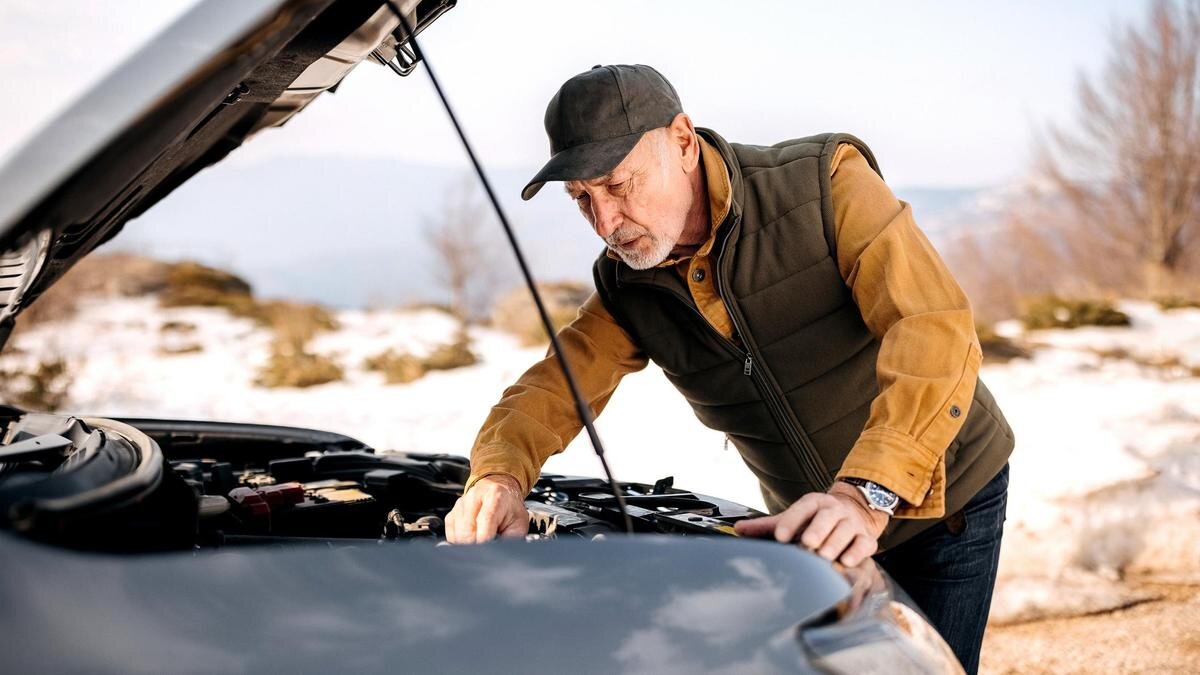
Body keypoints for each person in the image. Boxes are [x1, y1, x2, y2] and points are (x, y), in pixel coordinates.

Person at [444, 64, 1014, 673]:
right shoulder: (627, 283)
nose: (606, 222)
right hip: (813, 528)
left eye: (619, 184)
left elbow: (931, 326)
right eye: (582, 199)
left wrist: (865, 493)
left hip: (943, 498)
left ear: (683, 141)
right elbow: (552, 386)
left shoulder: (824, 185)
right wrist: (497, 477)